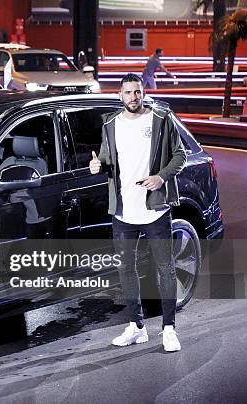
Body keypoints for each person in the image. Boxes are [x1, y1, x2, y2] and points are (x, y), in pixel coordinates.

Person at [89, 73, 186, 352]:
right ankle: (136, 327)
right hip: (122, 211)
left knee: (165, 270)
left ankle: (169, 329)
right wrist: (99, 166)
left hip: (155, 210)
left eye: (137, 91)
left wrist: (161, 177)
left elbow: (180, 155)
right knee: (126, 270)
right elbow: (108, 161)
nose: (133, 96)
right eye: (128, 92)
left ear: (143, 92)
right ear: (120, 95)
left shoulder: (160, 119)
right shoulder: (110, 124)